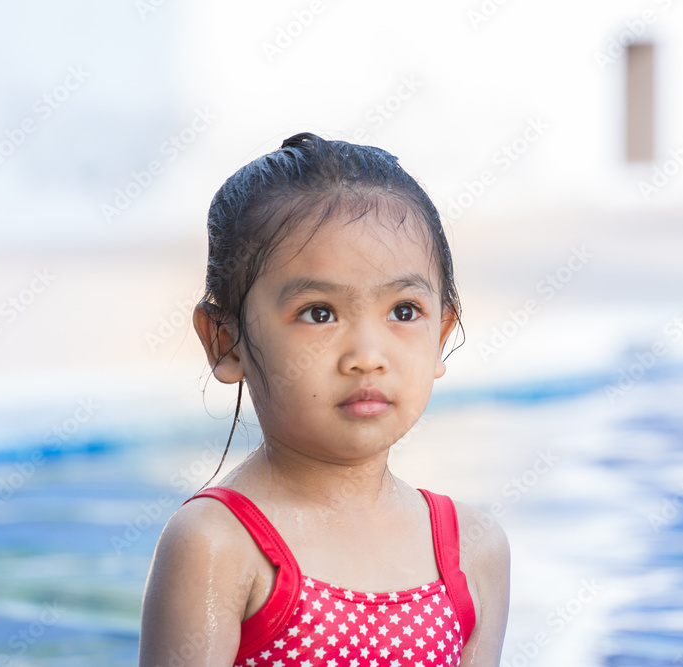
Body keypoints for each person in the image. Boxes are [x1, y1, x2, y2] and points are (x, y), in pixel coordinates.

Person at [138, 132, 510, 667]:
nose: (367, 355)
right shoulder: (218, 545)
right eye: (319, 313)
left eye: (404, 312)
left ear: (442, 336)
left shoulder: (473, 548)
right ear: (225, 340)